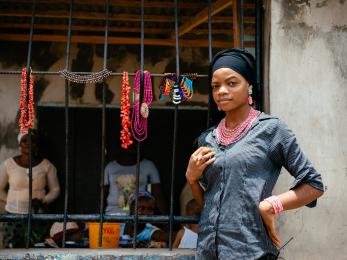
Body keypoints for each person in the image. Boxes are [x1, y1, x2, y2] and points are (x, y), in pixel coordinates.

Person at [185, 48, 324, 259]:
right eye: (215, 86)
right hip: (208, 252)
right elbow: (209, 207)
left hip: (251, 251)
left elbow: (314, 184)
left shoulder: (271, 130)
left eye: (231, 83)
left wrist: (271, 205)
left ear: (249, 86)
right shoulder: (207, 139)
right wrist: (192, 179)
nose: (222, 90)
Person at [0, 130, 60, 248]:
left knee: (36, 249)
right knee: (11, 250)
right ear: (20, 144)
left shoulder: (46, 165)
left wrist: (43, 200)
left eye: (32, 141)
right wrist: (11, 201)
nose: (28, 144)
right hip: (13, 217)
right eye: (24, 141)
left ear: (36, 145)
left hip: (37, 216)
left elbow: (56, 189)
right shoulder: (8, 164)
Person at [103, 142, 166, 215]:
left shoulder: (148, 166)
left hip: (139, 216)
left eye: (135, 142)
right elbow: (103, 195)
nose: (132, 145)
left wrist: (165, 220)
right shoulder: (110, 167)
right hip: (112, 215)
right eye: (128, 141)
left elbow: (157, 195)